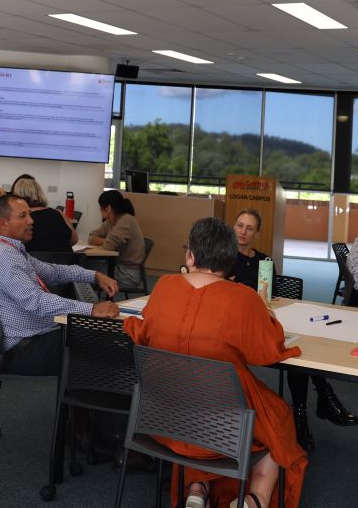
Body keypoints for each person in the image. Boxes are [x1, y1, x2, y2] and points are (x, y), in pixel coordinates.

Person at [124, 217, 307, 508]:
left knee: (198, 396)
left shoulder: (164, 286)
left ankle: (197, 489)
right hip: (225, 422)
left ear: (190, 255)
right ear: (231, 259)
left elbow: (142, 332)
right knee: (279, 419)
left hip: (164, 415)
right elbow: (267, 352)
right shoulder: (243, 298)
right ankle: (254, 498)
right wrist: (266, 313)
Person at [227, 209, 357, 452]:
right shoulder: (223, 259)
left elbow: (271, 297)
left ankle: (304, 412)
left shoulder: (264, 261)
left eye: (249, 228)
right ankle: (320, 402)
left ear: (257, 233)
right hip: (239, 327)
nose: (243, 232)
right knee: (291, 349)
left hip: (262, 319)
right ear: (233, 226)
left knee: (296, 349)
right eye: (239, 225)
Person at [0, 195, 119, 376]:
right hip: (23, 348)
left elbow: (54, 272)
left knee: (98, 338)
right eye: (23, 216)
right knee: (101, 341)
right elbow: (36, 302)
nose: (31, 221)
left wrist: (95, 275)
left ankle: (84, 401)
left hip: (35, 338)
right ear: (3, 223)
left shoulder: (12, 251)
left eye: (29, 214)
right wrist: (91, 309)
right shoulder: (3, 259)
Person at [88, 190, 146, 289]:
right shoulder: (111, 221)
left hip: (127, 274)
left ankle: (91, 301)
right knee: (85, 267)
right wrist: (106, 240)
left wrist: (105, 241)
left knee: (85, 271)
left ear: (108, 208)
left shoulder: (126, 220)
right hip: (117, 267)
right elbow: (91, 237)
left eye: (100, 208)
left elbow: (108, 246)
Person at [11, 177, 78, 252]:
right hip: (66, 262)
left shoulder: (19, 219)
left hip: (31, 263)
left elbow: (1, 243)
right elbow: (74, 240)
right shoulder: (59, 213)